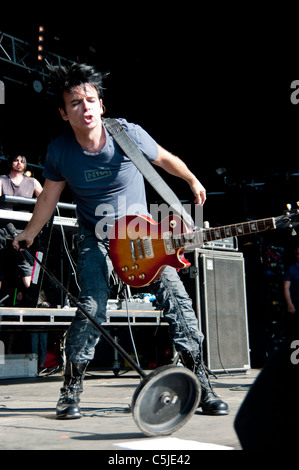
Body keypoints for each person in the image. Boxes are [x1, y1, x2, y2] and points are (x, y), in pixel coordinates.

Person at [12, 63, 229, 419]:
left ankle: (201, 384)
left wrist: (191, 180)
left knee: (178, 299)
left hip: (142, 238)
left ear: (101, 105)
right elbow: (48, 198)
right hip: (95, 238)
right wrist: (29, 234)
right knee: (93, 306)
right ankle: (71, 389)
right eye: (76, 103)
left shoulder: (126, 134)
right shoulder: (59, 151)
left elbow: (165, 159)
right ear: (64, 113)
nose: (86, 108)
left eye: (91, 100)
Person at [0, 155, 43, 290]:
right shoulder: (1, 179)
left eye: (22, 161)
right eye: (16, 160)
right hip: (2, 226)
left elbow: (46, 200)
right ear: (10, 163)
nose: (19, 163)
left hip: (24, 229)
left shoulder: (33, 182)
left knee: (26, 263)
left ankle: (34, 300)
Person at [283, 246, 299, 333]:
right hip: (296, 302)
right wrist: (289, 304)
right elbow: (286, 287)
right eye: (298, 254)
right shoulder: (291, 269)